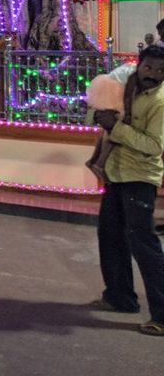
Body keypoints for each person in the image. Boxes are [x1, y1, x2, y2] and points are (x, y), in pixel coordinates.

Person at [90, 44, 164, 336]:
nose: (154, 74)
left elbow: (155, 146)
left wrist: (117, 128)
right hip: (116, 174)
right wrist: (101, 118)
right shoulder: (128, 86)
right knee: (110, 236)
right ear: (139, 65)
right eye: (149, 67)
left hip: (140, 177)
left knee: (143, 245)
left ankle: (161, 316)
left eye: (160, 70)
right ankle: (120, 297)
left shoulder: (160, 101)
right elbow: (103, 111)